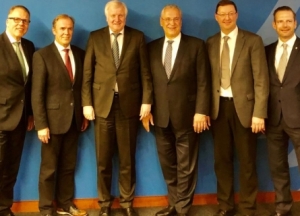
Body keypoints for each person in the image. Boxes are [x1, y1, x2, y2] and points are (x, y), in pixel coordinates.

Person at [81, 0, 153, 216]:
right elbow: (87, 75)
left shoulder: (137, 37)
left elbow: (145, 74)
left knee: (127, 159)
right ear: (106, 17)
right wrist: (86, 103)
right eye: (113, 15)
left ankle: (127, 203)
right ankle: (104, 204)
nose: (117, 19)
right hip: (102, 107)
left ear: (125, 16)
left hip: (129, 108)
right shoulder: (95, 37)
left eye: (120, 15)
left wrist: (146, 101)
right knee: (103, 160)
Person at [143, 4, 210, 216]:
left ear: (181, 21)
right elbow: (148, 81)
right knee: (168, 164)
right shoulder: (151, 48)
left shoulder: (196, 45)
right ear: (161, 22)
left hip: (189, 116)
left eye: (176, 19)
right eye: (168, 19)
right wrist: (147, 108)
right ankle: (174, 203)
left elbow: (203, 82)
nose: (172, 23)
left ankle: (182, 208)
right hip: (160, 117)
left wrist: (201, 111)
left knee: (186, 166)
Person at [206, 0, 269, 215]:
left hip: (246, 111)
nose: (226, 18)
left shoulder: (252, 40)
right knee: (221, 162)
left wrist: (259, 113)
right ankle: (225, 205)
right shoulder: (210, 43)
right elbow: (206, 81)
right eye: (222, 14)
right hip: (218, 110)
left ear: (237, 15)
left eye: (230, 14)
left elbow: (261, 80)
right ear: (216, 17)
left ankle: (248, 207)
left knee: (247, 161)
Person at [31, 14, 88, 216]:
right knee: (48, 169)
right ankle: (46, 209)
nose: (66, 32)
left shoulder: (80, 54)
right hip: (51, 124)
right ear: (54, 30)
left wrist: (82, 115)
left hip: (74, 121)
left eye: (70, 29)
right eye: (62, 28)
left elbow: (81, 88)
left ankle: (65, 204)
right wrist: (41, 124)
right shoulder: (42, 56)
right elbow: (36, 94)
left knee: (68, 166)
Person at [265, 6, 300, 216]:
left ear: (295, 23)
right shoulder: (266, 50)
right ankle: (283, 208)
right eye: (280, 21)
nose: (285, 25)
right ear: (274, 25)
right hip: (274, 119)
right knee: (278, 168)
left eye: (289, 21)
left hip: (298, 118)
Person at [0, 5, 35, 216]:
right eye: (16, 19)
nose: (20, 23)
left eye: (25, 21)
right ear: (7, 20)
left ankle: (4, 207)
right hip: (1, 117)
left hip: (21, 119)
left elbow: (28, 85)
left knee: (11, 168)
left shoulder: (29, 47)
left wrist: (30, 112)